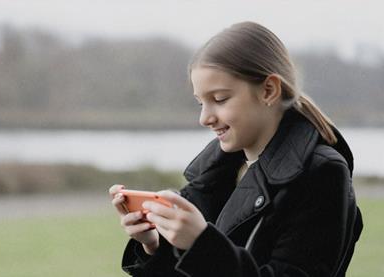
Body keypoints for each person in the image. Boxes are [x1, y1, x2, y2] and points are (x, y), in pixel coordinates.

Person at [109, 21, 363, 277]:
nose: (205, 118)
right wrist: (154, 245)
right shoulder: (214, 172)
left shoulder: (321, 173)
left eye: (219, 99)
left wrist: (201, 245)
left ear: (269, 90)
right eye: (200, 103)